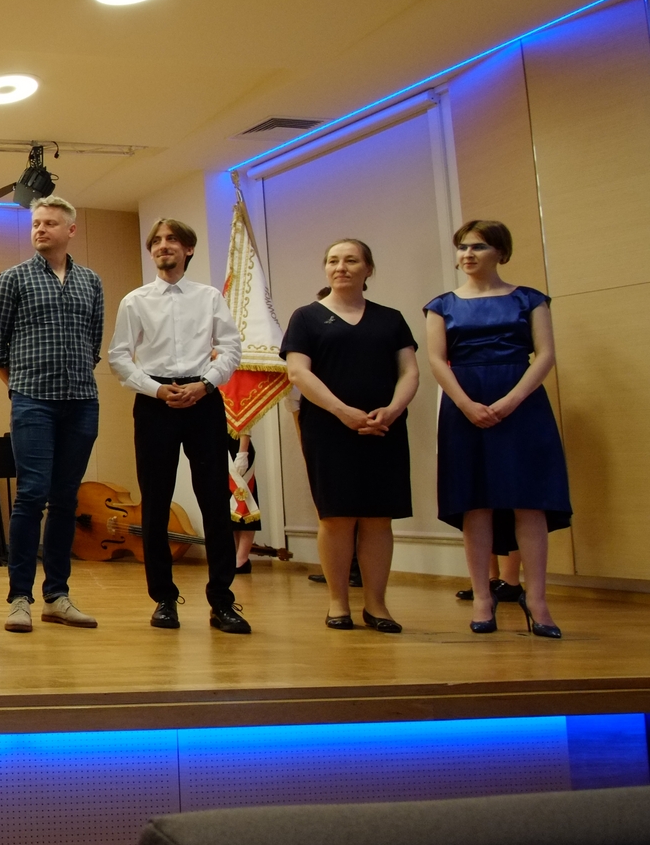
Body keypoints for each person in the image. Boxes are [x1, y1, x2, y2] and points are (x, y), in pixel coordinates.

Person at [422, 219, 570, 639]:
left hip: (522, 404)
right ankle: (483, 598)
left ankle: (537, 600)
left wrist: (511, 401)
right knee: (476, 502)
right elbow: (436, 361)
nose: (468, 254)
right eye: (462, 247)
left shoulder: (530, 299)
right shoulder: (441, 305)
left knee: (530, 501)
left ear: (501, 253)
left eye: (479, 246)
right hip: (464, 405)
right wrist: (466, 404)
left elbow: (545, 355)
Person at [107, 218, 247, 633]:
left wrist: (205, 385)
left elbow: (231, 348)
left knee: (214, 502)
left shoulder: (209, 298)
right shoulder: (135, 300)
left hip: (203, 400)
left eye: (172, 240)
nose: (163, 245)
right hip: (155, 404)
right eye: (157, 241)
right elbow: (119, 356)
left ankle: (222, 601)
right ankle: (164, 600)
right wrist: (155, 390)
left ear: (188, 249)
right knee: (155, 503)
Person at [280, 238, 418, 633]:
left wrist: (392, 410)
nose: (341, 267)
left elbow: (410, 372)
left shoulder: (390, 319)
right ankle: (338, 602)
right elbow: (298, 373)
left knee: (378, 519)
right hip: (329, 428)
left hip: (383, 428)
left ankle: (377, 605)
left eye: (351, 260)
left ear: (368, 269)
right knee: (336, 517)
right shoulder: (306, 317)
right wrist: (343, 412)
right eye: (333, 260)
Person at [0, 196, 103, 634]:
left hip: (82, 402)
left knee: (66, 498)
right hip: (32, 401)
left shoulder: (91, 281)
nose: (40, 229)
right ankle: (20, 598)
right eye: (36, 223)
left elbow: (94, 344)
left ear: (70, 230)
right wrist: (21, 388)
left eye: (50, 223)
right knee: (32, 494)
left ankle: (57, 597)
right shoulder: (13, 278)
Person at [229, 433, 260, 573]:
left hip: (239, 449)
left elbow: (244, 425)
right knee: (232, 508)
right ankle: (236, 555)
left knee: (245, 503)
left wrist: (242, 452)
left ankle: (242, 558)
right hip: (223, 449)